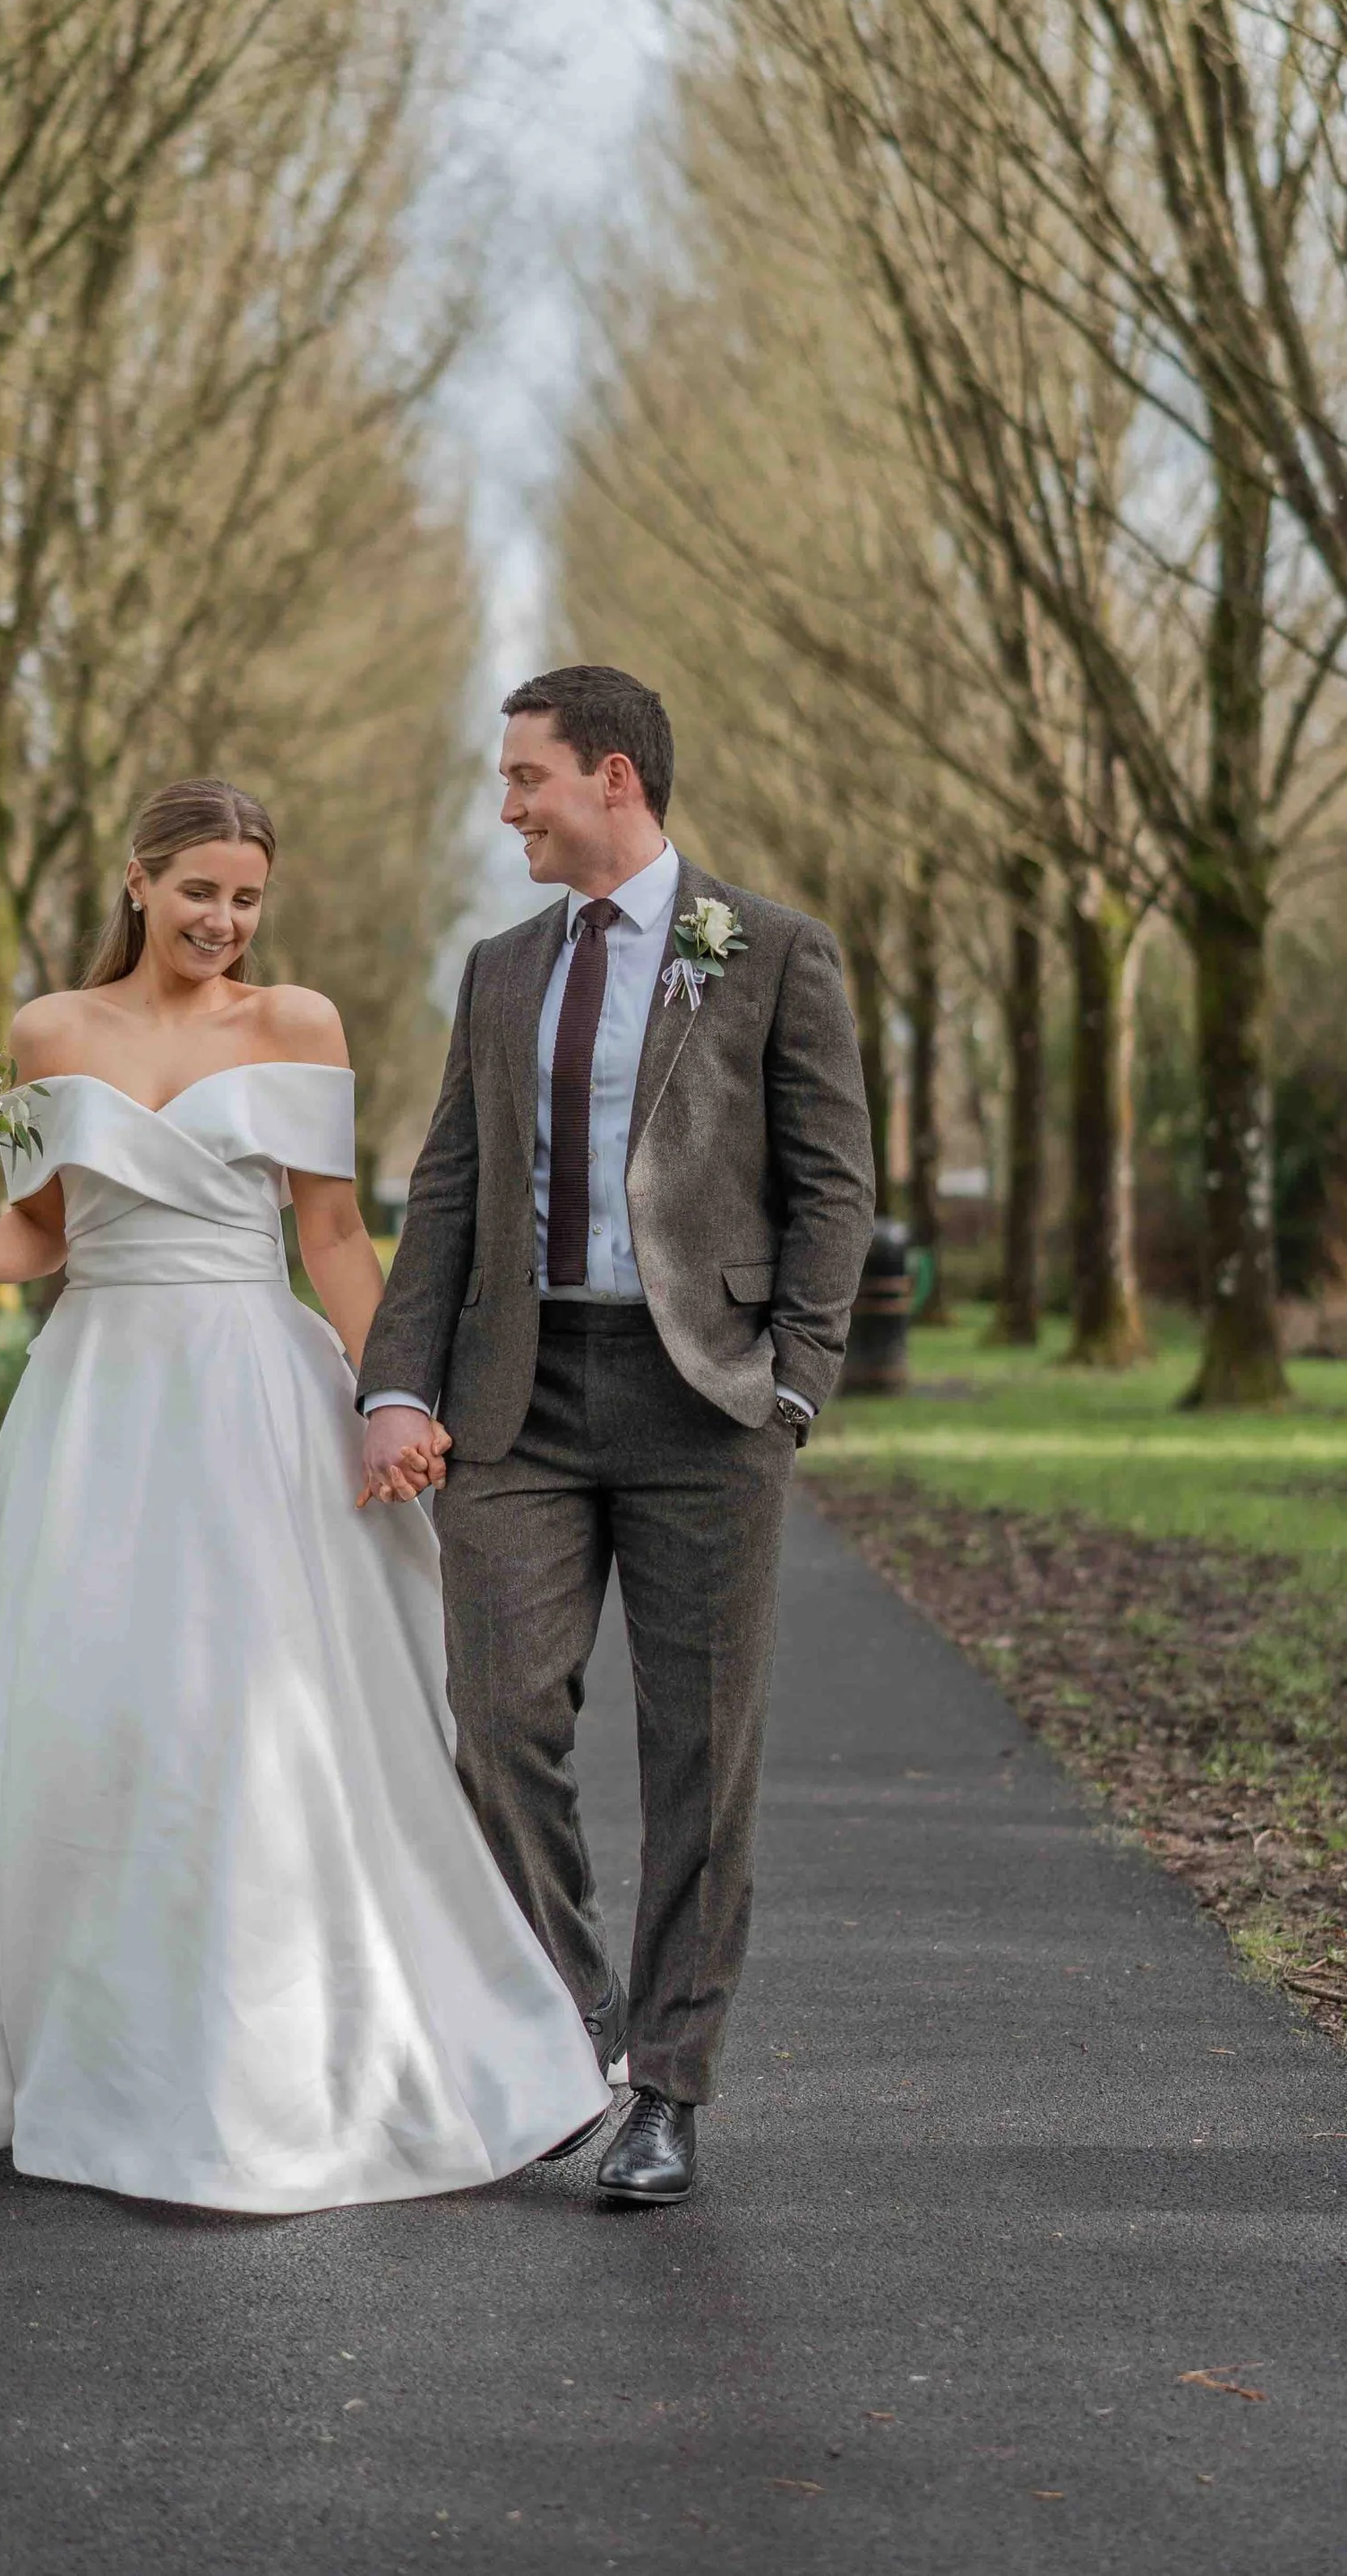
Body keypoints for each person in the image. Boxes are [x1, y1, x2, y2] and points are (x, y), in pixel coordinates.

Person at [0, 777, 607, 2214]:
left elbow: (335, 1235)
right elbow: (40, 1236)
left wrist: (394, 1394)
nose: (223, 922)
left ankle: (281, 2038)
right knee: (88, 1702)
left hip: (252, 1388)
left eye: (246, 899)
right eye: (199, 894)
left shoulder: (296, 1023)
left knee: (251, 1708)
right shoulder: (51, 1031)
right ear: (139, 878)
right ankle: (73, 2029)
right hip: (101, 1394)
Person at [359, 667, 873, 2206]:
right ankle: (570, 2026)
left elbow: (834, 1183)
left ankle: (668, 2085)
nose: (504, 805)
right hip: (517, 1396)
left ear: (616, 780)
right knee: (500, 1715)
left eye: (525, 777)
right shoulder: (499, 968)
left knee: (695, 1756)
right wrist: (400, 1377)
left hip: (705, 1404)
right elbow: (445, 1188)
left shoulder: (774, 950)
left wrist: (796, 1377)